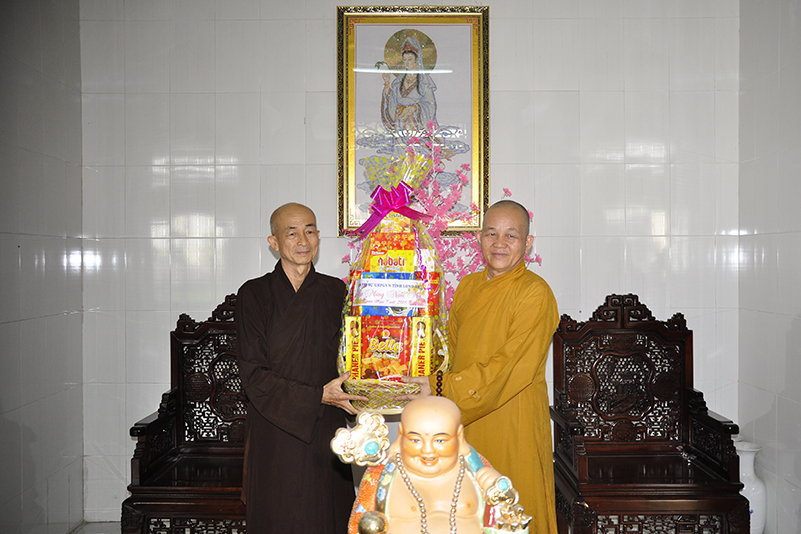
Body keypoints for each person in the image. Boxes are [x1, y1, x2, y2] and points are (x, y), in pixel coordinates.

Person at [402, 200, 560, 533]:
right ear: (479, 237)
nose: (499, 243)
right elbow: (449, 352)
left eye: (511, 235)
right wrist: (406, 362)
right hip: (465, 419)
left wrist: (441, 386)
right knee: (467, 511)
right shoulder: (468, 287)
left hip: (513, 418)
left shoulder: (535, 293)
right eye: (491, 233)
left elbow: (509, 367)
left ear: (528, 243)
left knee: (512, 507)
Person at [236, 202, 367, 533]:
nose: (303, 241)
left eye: (309, 231)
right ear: (274, 242)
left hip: (326, 426)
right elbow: (253, 376)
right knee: (278, 516)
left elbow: (350, 358)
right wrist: (317, 396)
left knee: (326, 515)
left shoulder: (336, 291)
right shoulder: (253, 294)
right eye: (291, 233)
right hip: (274, 426)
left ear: (319, 237)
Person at [340, 397, 530, 534]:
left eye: (440, 440)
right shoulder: (383, 476)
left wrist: (499, 494)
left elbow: (506, 521)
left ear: (458, 436)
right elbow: (358, 525)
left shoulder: (477, 470)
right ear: (402, 434)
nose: (427, 451)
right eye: (415, 440)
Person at [381, 37, 438, 144]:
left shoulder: (424, 82)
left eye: (410, 59)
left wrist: (415, 108)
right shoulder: (398, 82)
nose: (407, 63)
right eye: (404, 59)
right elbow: (392, 101)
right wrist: (387, 84)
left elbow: (430, 105)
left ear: (416, 59)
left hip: (417, 126)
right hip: (400, 127)